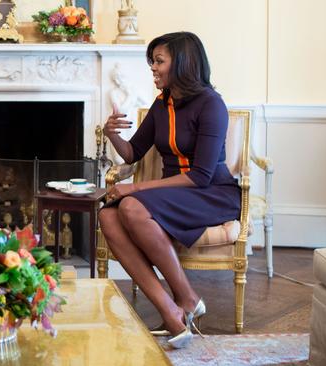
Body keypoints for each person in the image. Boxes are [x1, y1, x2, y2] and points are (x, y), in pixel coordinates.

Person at [98, 31, 240, 348]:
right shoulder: (162, 104)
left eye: (159, 61)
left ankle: (187, 298)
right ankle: (172, 313)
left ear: (183, 63)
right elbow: (133, 153)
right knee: (108, 217)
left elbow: (201, 176)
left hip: (211, 193)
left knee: (131, 206)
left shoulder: (211, 105)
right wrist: (111, 134)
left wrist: (131, 190)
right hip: (175, 193)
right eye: (153, 61)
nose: (153, 68)